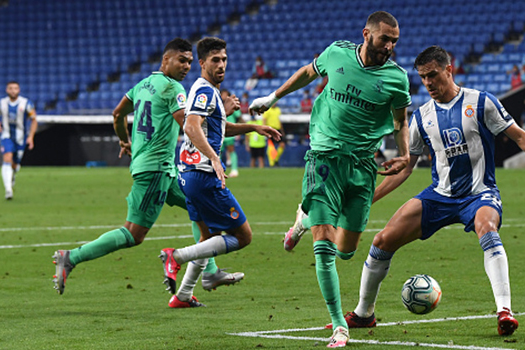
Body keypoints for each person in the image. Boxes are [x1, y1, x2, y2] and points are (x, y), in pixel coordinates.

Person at [334, 45, 525, 337]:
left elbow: (520, 136)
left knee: (487, 227)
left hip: (480, 194)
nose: (428, 83)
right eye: (423, 78)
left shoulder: (480, 103)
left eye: (433, 75)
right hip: (440, 195)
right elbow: (406, 167)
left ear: (448, 70)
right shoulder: (421, 116)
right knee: (382, 240)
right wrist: (367, 199)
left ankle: (505, 311)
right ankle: (364, 314)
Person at [249, 11, 411, 348]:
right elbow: (308, 73)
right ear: (366, 34)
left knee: (346, 251)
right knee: (323, 249)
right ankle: (340, 325)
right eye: (385, 39)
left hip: (363, 166)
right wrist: (273, 98)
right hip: (323, 158)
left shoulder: (397, 79)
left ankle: (303, 219)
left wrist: (405, 154)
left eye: (395, 40)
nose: (390, 46)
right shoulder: (337, 53)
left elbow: (400, 122)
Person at [51, 39, 241, 300]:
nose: (186, 67)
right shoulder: (174, 89)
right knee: (133, 234)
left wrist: (124, 140)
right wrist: (224, 112)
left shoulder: (142, 85)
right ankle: (70, 257)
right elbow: (190, 125)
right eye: (181, 61)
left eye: (188, 62)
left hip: (162, 169)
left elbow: (118, 114)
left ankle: (209, 270)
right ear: (166, 60)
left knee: (201, 207)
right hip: (156, 171)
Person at [159, 37, 281, 304]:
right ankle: (175, 256)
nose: (222, 65)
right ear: (202, 63)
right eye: (215, 60)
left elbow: (213, 129)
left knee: (208, 237)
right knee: (244, 236)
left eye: (224, 59)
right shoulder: (205, 91)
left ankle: (183, 294)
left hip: (189, 175)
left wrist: (253, 127)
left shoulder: (206, 90)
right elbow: (190, 126)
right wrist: (214, 157)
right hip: (203, 175)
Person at [0, 81, 37, 200]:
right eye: (10, 88)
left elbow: (34, 120)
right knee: (7, 158)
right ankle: (8, 190)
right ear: (7, 90)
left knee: (15, 165)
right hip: (6, 136)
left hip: (20, 138)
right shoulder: (1, 103)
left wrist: (31, 137)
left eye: (15, 88)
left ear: (19, 90)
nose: (13, 91)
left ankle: (12, 175)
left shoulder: (26, 103)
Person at [221, 89, 243, 177]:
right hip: (220, 132)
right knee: (217, 152)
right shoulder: (217, 104)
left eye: (226, 95)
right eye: (223, 94)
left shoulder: (232, 105)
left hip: (230, 132)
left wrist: (240, 130)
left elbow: (239, 117)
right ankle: (218, 170)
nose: (224, 96)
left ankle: (234, 169)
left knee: (231, 150)